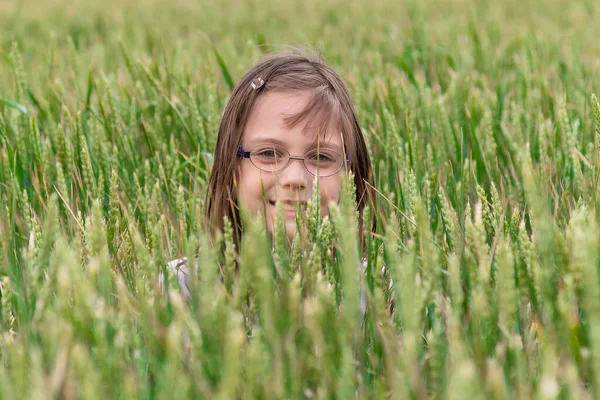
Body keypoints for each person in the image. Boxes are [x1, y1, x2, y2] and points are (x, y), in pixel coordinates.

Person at [163, 52, 377, 314]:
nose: (295, 179)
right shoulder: (180, 288)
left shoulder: (378, 292)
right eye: (268, 154)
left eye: (321, 157)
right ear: (232, 167)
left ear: (351, 175)